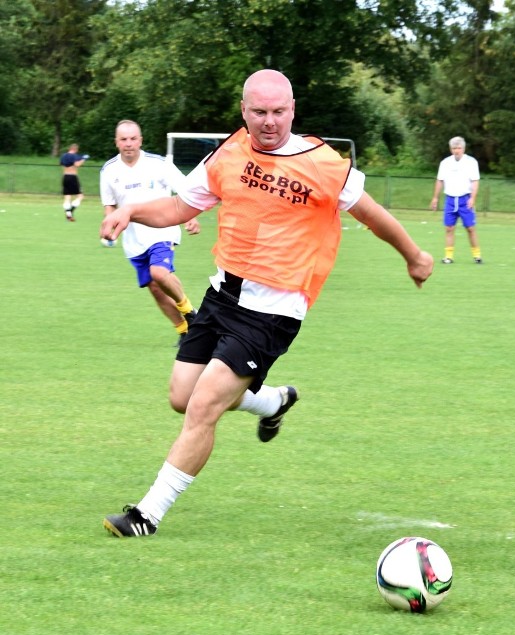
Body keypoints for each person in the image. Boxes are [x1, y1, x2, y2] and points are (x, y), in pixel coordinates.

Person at [101, 69, 433, 537]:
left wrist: (414, 255)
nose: (269, 121)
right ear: (244, 112)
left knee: (204, 408)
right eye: (259, 112)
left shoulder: (323, 163)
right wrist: (131, 210)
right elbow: (179, 208)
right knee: (182, 397)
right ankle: (273, 401)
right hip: (221, 296)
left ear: (292, 111)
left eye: (279, 112)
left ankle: (147, 515)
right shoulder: (230, 152)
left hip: (273, 310)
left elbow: (372, 215)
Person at [100, 120, 199, 345]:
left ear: (140, 140)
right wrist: (108, 224)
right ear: (116, 142)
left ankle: (192, 312)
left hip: (163, 231)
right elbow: (110, 206)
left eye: (133, 139)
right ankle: (184, 331)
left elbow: (186, 192)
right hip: (134, 240)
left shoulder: (159, 164)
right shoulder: (109, 170)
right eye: (123, 139)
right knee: (155, 288)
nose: (128, 144)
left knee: (159, 273)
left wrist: (191, 217)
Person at [430, 136, 482, 264]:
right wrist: (435, 198)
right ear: (450, 149)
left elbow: (475, 181)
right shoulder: (445, 163)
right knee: (449, 228)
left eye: (459, 148)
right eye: (454, 148)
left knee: (470, 228)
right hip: (450, 200)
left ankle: (477, 255)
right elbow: (440, 180)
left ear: (463, 149)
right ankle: (448, 256)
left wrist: (473, 198)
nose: (456, 150)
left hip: (465, 199)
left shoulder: (471, 162)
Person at [60, 143, 89, 221]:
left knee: (67, 197)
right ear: (76, 149)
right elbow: (77, 164)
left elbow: (62, 165)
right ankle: (70, 212)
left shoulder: (63, 156)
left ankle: (68, 213)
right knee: (80, 196)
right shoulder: (74, 156)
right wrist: (84, 159)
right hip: (72, 177)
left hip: (65, 176)